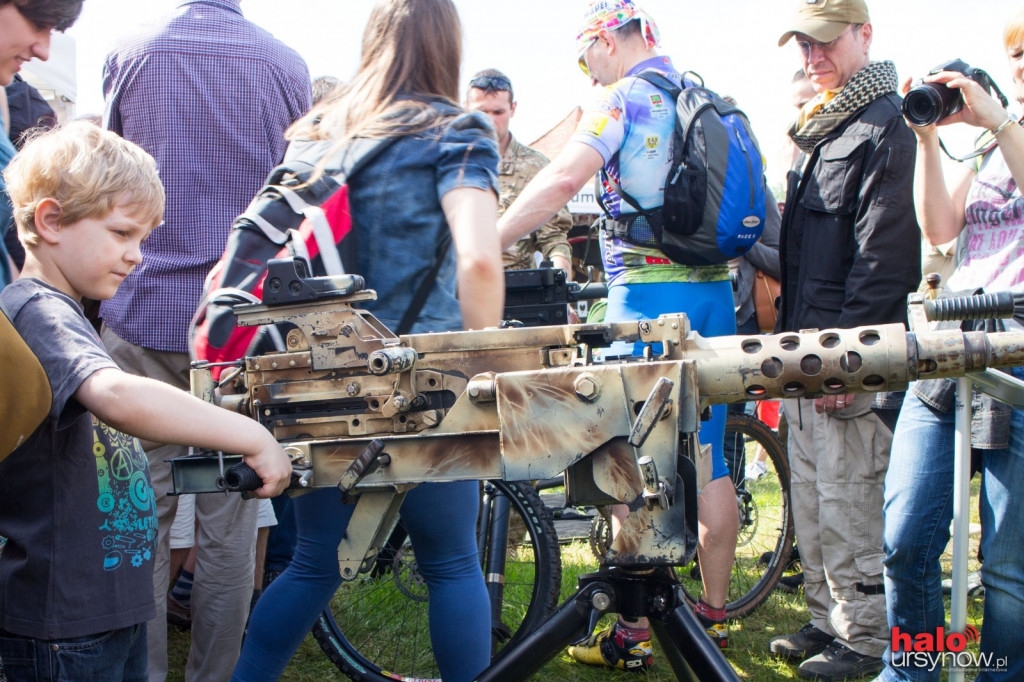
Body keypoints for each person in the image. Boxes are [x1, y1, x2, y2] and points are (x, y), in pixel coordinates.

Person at [497, 0, 777, 669]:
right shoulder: (704, 95)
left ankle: (634, 633)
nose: (587, 72)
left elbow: (567, 176)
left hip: (646, 295)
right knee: (707, 459)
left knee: (624, 459)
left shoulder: (625, 97)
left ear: (606, 39)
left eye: (583, 54)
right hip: (714, 293)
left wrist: (492, 237)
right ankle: (713, 617)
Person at [233, 0, 504, 680]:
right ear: (447, 46)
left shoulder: (314, 134)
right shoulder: (457, 130)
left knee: (311, 561)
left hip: (321, 378)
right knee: (450, 562)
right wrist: (492, 352)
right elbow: (476, 257)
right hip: (430, 384)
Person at [0, 121, 291, 682]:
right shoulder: (38, 311)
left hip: (108, 608)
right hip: (63, 623)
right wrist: (250, 436)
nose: (137, 256)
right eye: (121, 234)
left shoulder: (71, 313)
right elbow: (115, 394)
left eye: (143, 239)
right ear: (51, 220)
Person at [99, 2, 311, 679]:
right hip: (238, 330)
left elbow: (106, 180)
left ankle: (145, 672)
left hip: (144, 310)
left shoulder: (130, 52)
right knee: (230, 525)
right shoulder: (285, 65)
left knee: (139, 517)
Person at [770, 0, 921, 679]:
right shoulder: (822, 126)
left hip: (844, 359)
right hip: (802, 349)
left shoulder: (890, 126)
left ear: (865, 35)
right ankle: (822, 619)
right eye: (803, 43)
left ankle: (865, 639)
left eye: (825, 42)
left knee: (851, 499)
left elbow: (884, 260)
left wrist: (846, 365)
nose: (812, 56)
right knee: (811, 496)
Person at [880, 9, 1024, 681]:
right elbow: (939, 229)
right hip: (954, 345)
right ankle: (915, 670)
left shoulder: (1006, 134)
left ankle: (999, 673)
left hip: (1020, 359)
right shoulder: (994, 145)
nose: (1021, 64)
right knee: (906, 539)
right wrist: (931, 140)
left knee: (1008, 569)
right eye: (1016, 53)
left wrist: (998, 121)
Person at [465, 68, 574, 276]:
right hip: (458, 293)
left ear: (512, 109)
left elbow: (553, 241)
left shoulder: (536, 168)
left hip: (518, 292)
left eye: (498, 112)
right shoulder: (448, 164)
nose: (489, 121)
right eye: (481, 112)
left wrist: (562, 291)